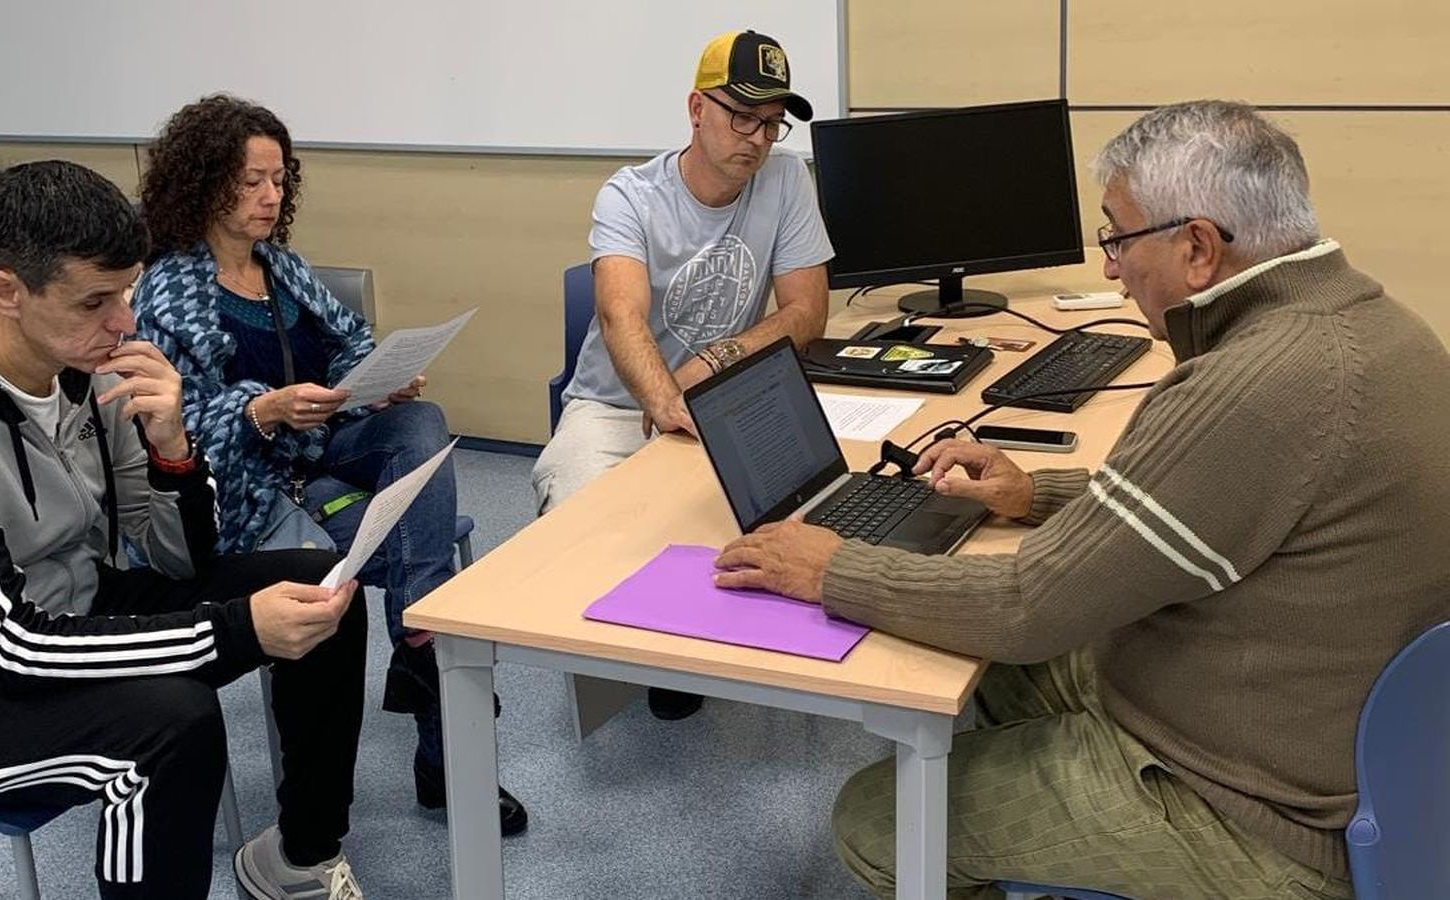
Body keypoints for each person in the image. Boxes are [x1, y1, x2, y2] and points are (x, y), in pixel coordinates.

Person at [711, 100, 1450, 899]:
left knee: (877, 820)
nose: (1109, 269)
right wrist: (1033, 492)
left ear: (1198, 247)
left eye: (1118, 238)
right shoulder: (1365, 323)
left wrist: (833, 568)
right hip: (1320, 732)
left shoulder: (1255, 384)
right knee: (976, 666)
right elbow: (1209, 499)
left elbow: (1029, 606)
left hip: (1257, 812)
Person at [0, 161, 367, 899]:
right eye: (96, 300)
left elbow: (181, 560)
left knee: (318, 582)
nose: (125, 320)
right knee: (167, 725)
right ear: (7, 292)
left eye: (124, 292)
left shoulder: (90, 367)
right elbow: (5, 646)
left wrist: (174, 452)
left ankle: (298, 861)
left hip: (68, 613)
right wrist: (236, 631)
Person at [130, 94, 527, 837]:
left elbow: (346, 342)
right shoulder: (169, 287)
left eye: (279, 180)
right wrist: (265, 409)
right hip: (246, 485)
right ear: (204, 181)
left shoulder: (279, 264)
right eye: (251, 181)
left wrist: (378, 376)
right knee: (412, 545)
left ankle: (413, 634)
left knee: (421, 422)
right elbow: (172, 432)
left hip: (318, 452)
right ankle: (442, 746)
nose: (270, 197)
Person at [531, 29, 835, 720]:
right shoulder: (630, 196)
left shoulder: (785, 179)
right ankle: (611, 658)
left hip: (727, 394)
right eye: (740, 116)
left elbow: (807, 310)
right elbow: (620, 317)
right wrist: (668, 402)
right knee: (572, 511)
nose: (757, 138)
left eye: (771, 121)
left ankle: (687, 651)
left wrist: (714, 362)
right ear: (697, 108)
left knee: (782, 503)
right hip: (615, 403)